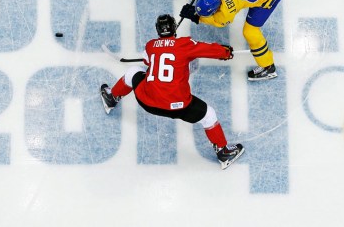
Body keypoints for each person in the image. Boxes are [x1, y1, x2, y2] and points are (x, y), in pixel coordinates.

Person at [99, 14, 244, 170]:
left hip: (147, 101)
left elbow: (147, 62)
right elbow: (209, 49)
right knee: (209, 115)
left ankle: (112, 97)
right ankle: (223, 152)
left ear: (158, 30)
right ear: (175, 28)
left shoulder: (151, 46)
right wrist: (225, 52)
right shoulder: (185, 44)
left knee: (134, 71)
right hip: (179, 106)